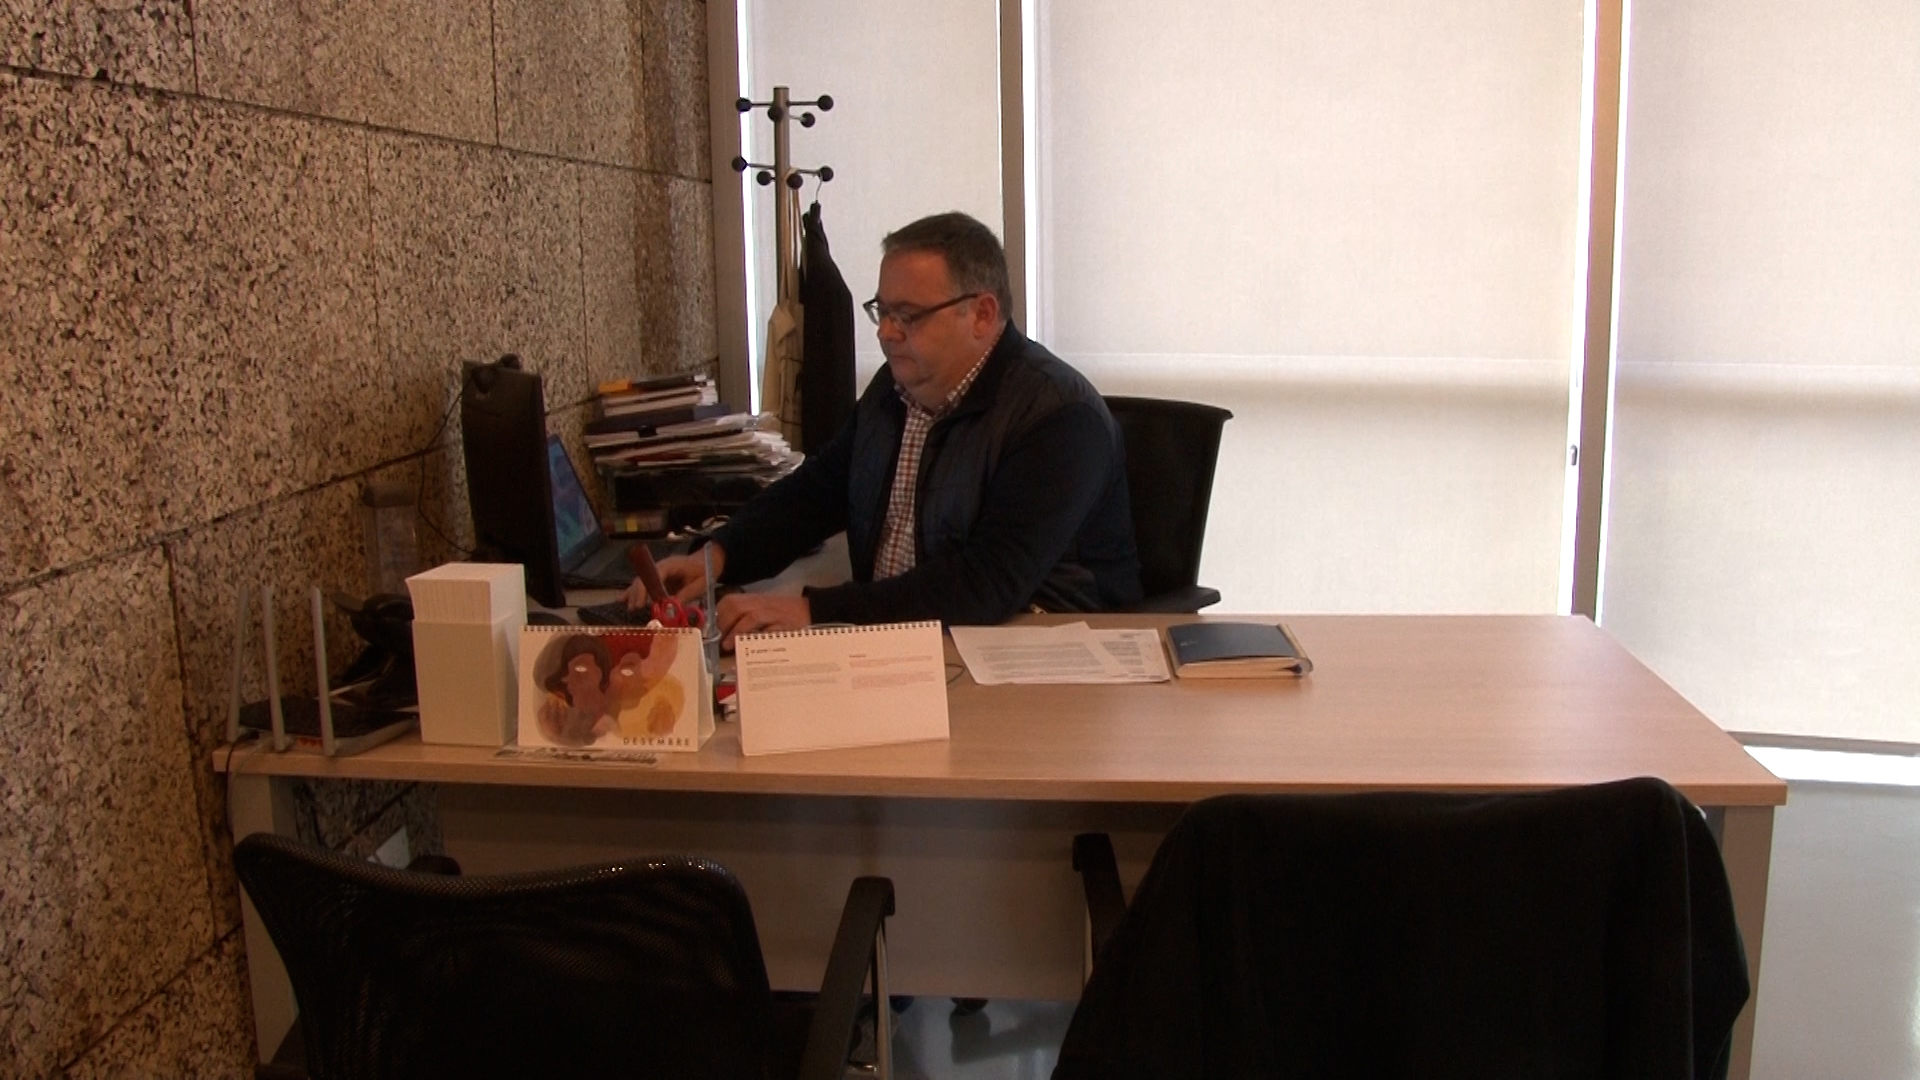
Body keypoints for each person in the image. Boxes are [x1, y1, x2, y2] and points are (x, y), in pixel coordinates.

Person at [630, 211, 1141, 646]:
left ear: (982, 314)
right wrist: (718, 556)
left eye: (908, 315)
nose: (885, 332)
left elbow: (986, 583)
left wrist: (815, 611)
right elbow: (819, 491)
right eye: (883, 310)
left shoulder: (1059, 418)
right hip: (902, 642)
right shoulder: (894, 389)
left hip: (1034, 653)